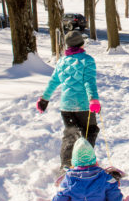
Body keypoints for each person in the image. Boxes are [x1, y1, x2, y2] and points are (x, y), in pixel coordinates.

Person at [36, 30, 101, 170]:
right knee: (89, 131)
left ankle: (66, 164)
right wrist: (93, 99)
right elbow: (89, 82)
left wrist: (44, 99)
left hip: (66, 106)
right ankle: (84, 163)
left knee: (70, 134)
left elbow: (53, 82)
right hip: (84, 106)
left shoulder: (62, 61)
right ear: (82, 44)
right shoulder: (87, 60)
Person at [52, 138, 123, 201]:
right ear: (94, 160)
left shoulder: (69, 180)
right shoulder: (104, 177)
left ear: (74, 162)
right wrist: (118, 199)